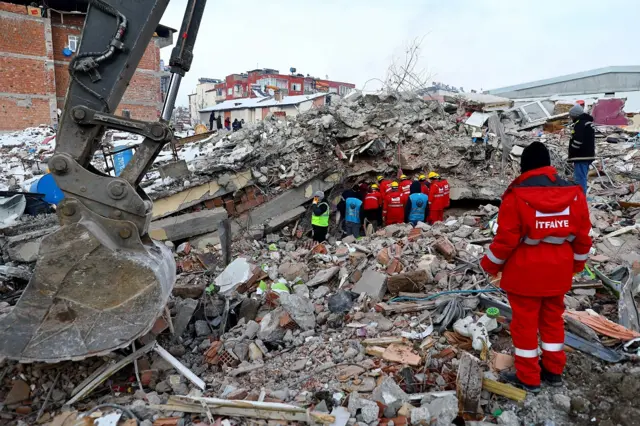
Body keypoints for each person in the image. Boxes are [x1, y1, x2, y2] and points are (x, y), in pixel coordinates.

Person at [480, 142, 592, 393]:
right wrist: (576, 266)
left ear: (525, 167)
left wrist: (489, 266)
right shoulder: (574, 192)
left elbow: (506, 239)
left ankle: (529, 377)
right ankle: (553, 371)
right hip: (558, 272)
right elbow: (583, 237)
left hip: (525, 274)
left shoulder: (517, 194)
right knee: (553, 321)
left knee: (525, 325)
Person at [568, 104, 595, 194]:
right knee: (582, 177)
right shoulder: (587, 123)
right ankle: (581, 197)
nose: (570, 117)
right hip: (588, 155)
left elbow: (577, 141)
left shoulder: (580, 124)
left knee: (579, 179)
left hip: (581, 156)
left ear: (575, 115)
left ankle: (581, 199)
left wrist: (572, 152)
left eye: (571, 115)